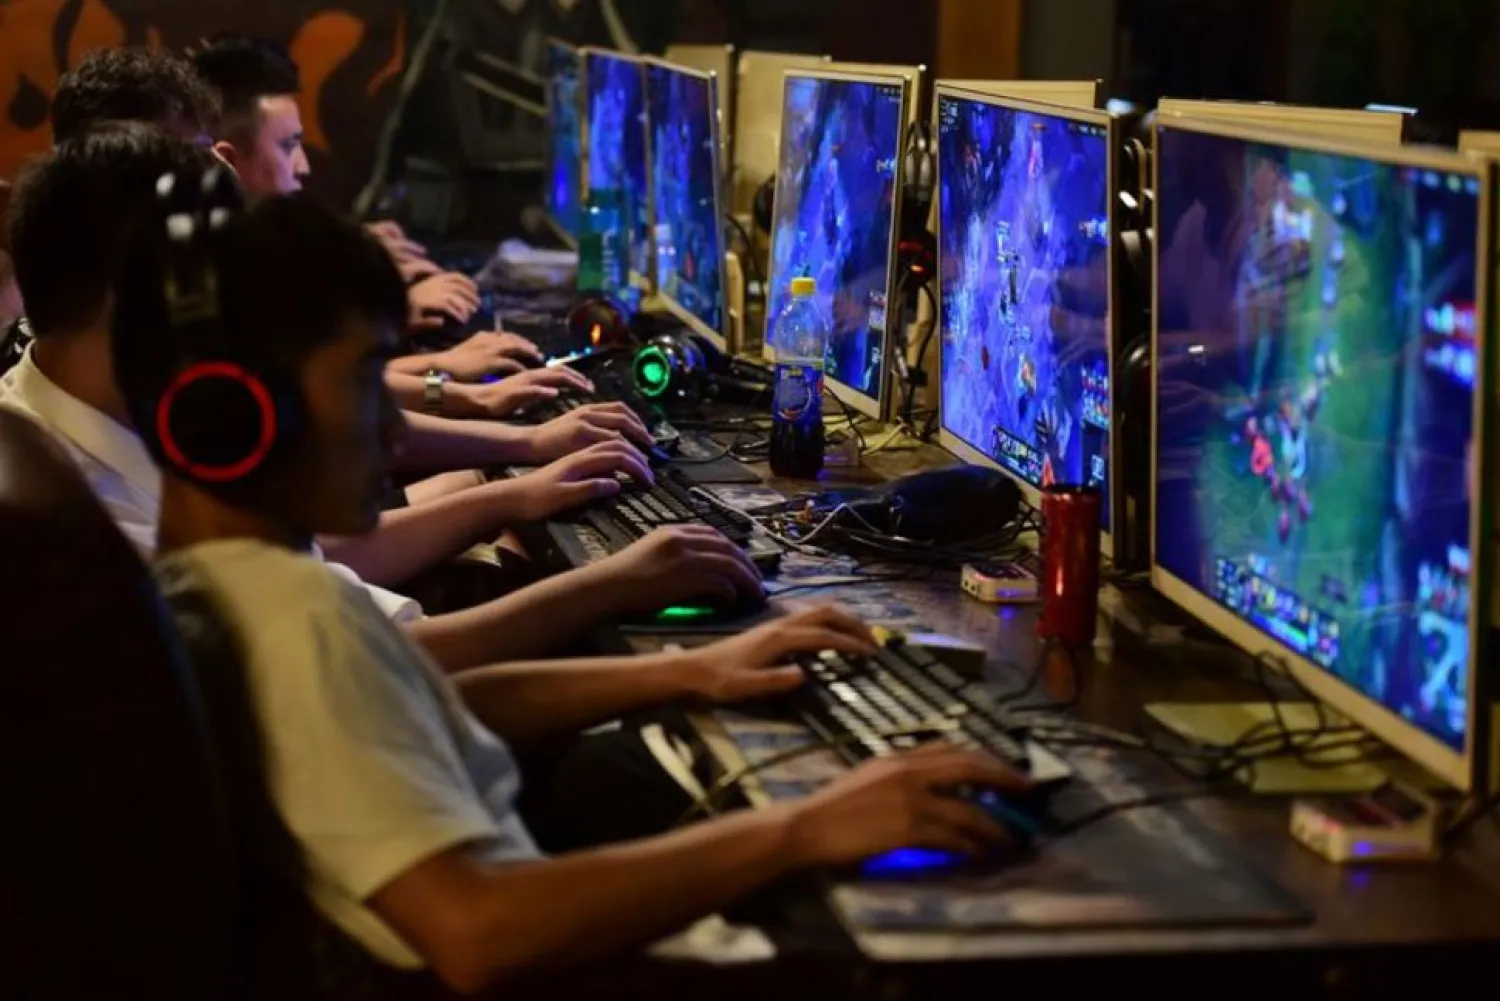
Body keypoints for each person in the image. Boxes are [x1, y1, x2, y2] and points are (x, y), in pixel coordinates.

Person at [117, 186, 1027, 993]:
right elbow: (479, 929)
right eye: (365, 382)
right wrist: (803, 828)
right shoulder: (296, 618)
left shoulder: (217, 579)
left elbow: (418, 700)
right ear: (229, 417)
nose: (395, 427)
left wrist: (690, 672)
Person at [1, 123, 766, 669]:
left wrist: (505, 488)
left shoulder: (100, 420)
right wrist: (614, 583)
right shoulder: (66, 515)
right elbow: (379, 652)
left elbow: (319, 561)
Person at [190, 36, 557, 417]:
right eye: (288, 146)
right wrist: (460, 388)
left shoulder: (238, 259)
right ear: (225, 159)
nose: (304, 166)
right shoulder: (216, 287)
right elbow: (357, 398)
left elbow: (347, 380)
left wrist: (445, 372)